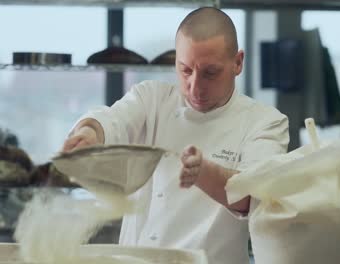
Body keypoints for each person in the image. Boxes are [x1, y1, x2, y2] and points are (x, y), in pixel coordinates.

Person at [62, 7, 289, 264]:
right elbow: (113, 120)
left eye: (209, 73)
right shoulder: (152, 99)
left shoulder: (265, 122)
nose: (195, 87)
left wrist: (204, 173)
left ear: (238, 62)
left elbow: (255, 197)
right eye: (185, 70)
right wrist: (90, 133)